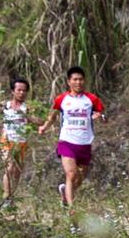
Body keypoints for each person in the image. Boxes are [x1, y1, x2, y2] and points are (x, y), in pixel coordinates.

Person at [36, 66, 105, 207]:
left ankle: (65, 192)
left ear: (84, 81)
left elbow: (103, 116)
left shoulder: (91, 99)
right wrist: (44, 127)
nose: (78, 82)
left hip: (85, 143)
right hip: (67, 141)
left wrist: (100, 117)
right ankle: (71, 208)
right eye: (75, 79)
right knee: (71, 174)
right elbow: (52, 116)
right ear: (69, 81)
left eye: (80, 79)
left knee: (79, 179)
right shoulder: (61, 99)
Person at [0, 77, 32, 204]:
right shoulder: (4, 105)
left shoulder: (27, 107)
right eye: (19, 90)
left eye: (24, 91)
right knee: (9, 167)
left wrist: (27, 116)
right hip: (7, 141)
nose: (21, 93)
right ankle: (6, 197)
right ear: (13, 91)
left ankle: (12, 196)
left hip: (21, 142)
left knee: (17, 171)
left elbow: (40, 122)